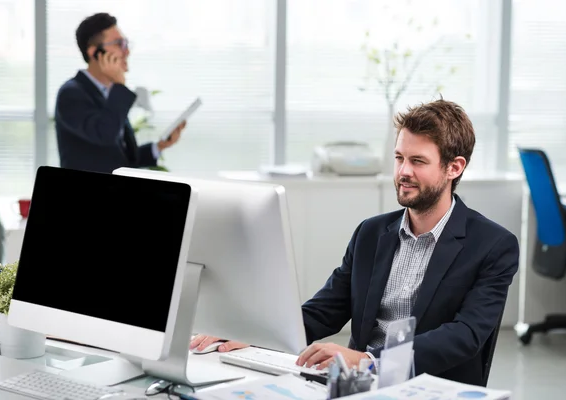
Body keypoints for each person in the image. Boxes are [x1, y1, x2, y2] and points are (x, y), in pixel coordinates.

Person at [189, 99, 519, 386]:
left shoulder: (492, 245)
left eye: (417, 161)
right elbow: (325, 310)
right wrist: (255, 335)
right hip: (357, 385)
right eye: (399, 157)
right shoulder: (372, 233)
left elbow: (465, 335)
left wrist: (369, 360)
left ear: (454, 167)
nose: (403, 171)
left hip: (426, 386)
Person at [54, 13, 185, 173]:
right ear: (95, 53)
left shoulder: (109, 93)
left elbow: (120, 159)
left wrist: (159, 146)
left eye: (126, 43)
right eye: (119, 44)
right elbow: (105, 135)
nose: (127, 51)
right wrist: (119, 85)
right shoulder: (72, 94)